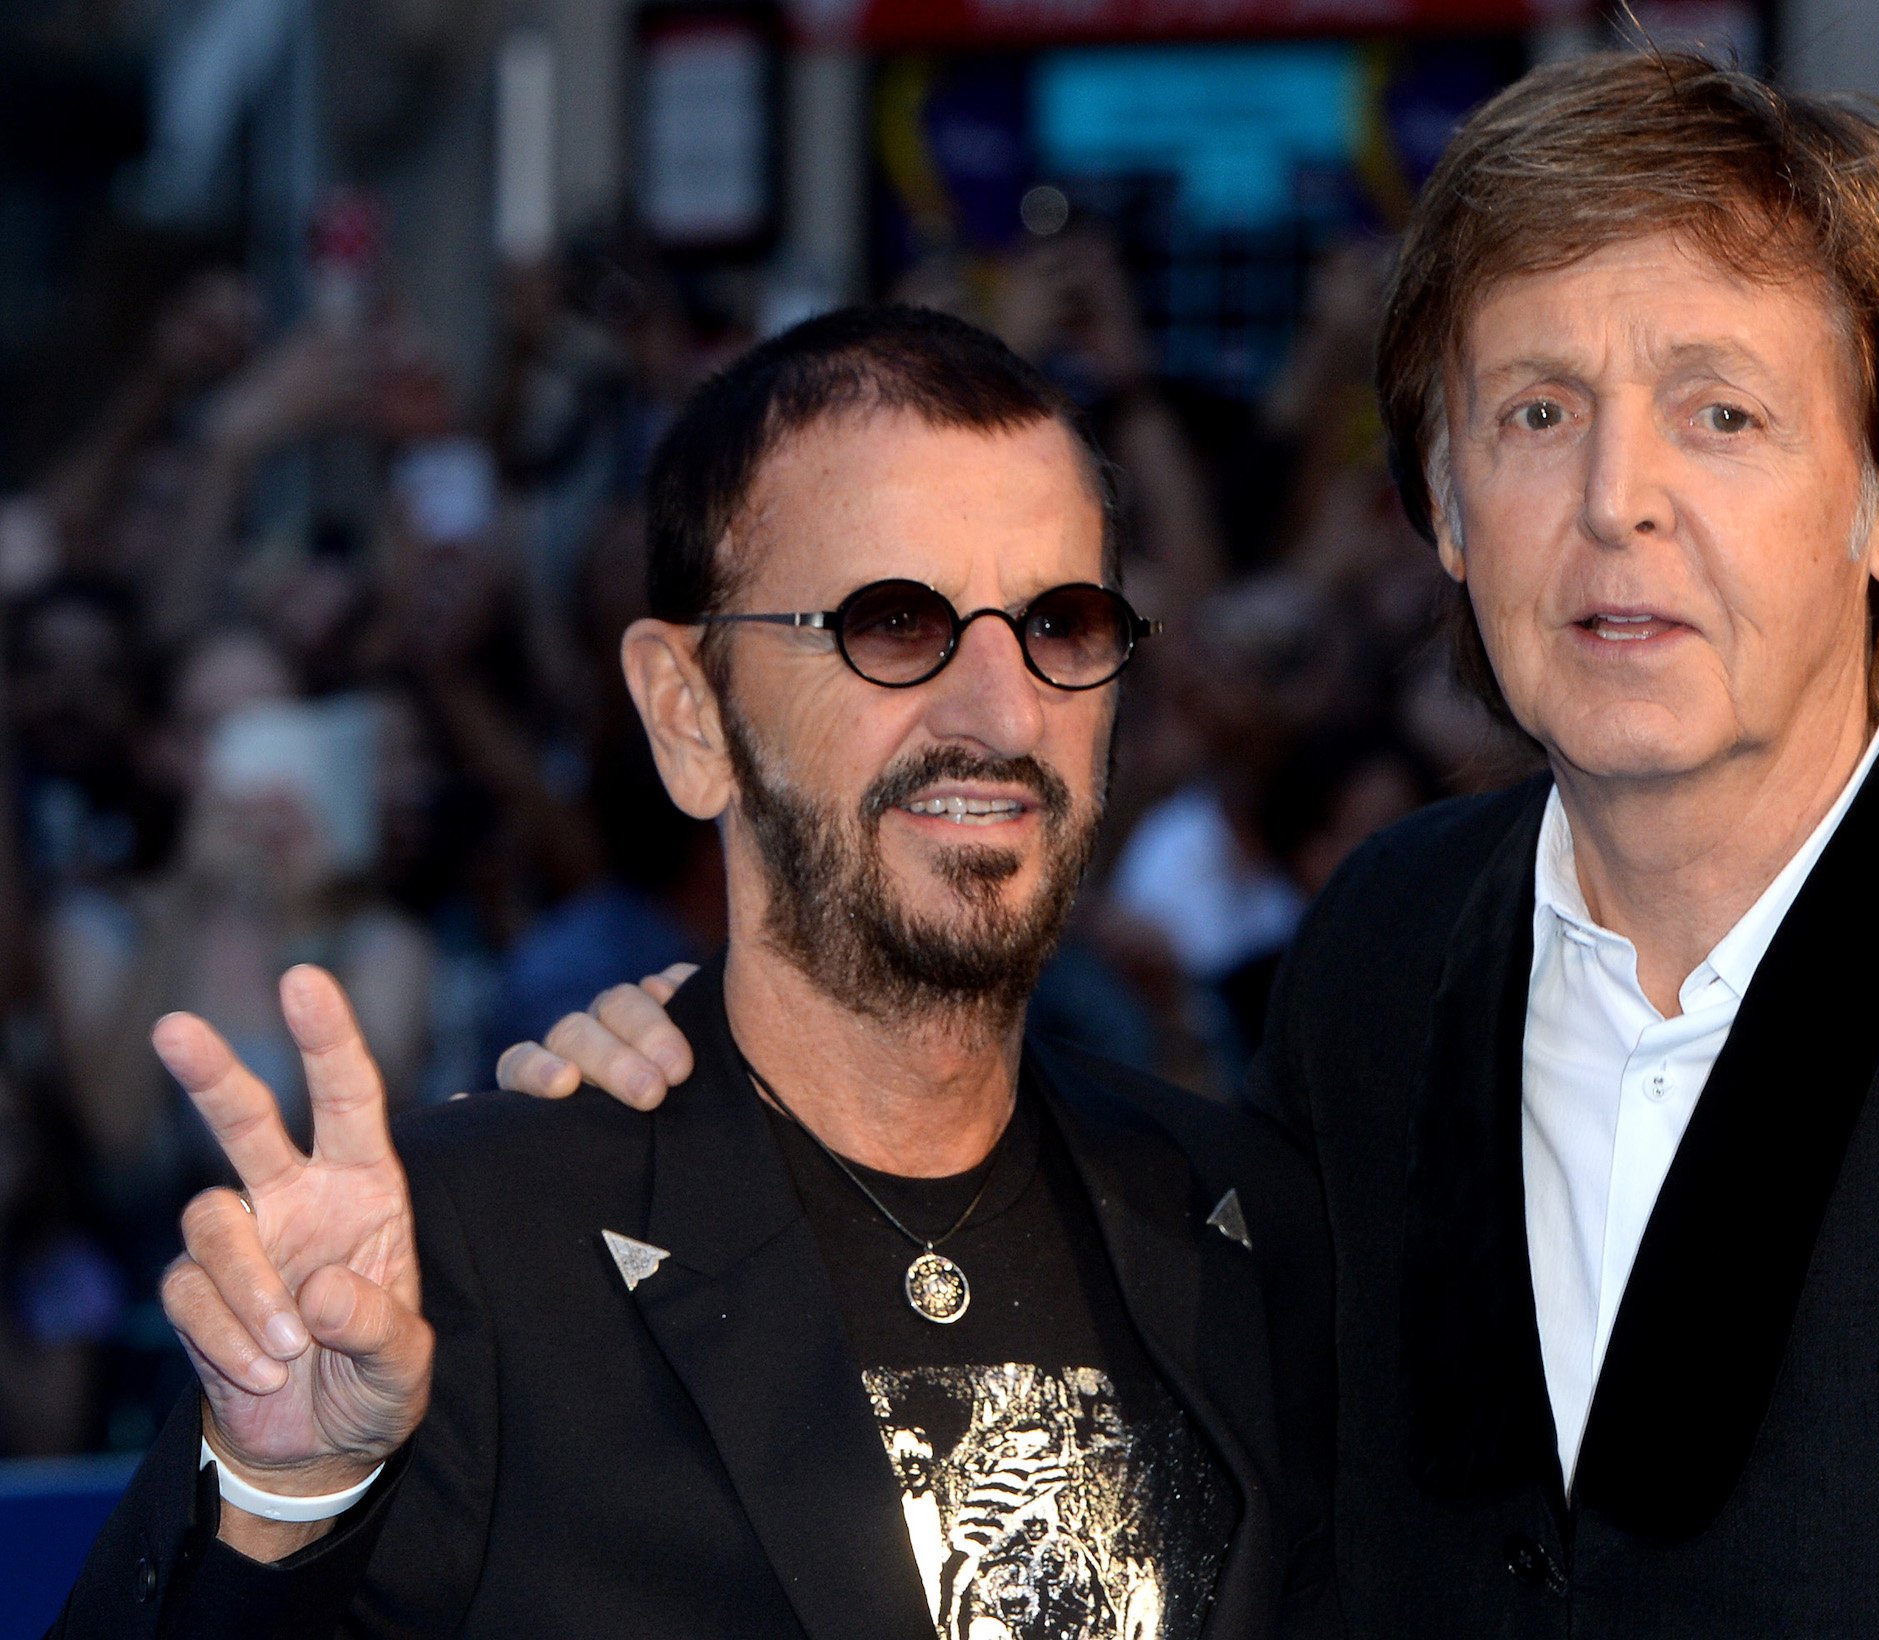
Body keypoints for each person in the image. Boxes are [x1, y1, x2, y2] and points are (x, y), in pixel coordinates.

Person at [517, 53, 1879, 1637]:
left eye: (1717, 414)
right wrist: (714, 1107)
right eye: (1535, 411)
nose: (1614, 502)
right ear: (1445, 504)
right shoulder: (1380, 949)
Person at [50, 306, 1332, 1640]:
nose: (1004, 715)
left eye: (1061, 623)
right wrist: (282, 1504)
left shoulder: (1249, 1225)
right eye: (896, 623)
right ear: (689, 714)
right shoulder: (462, 1260)